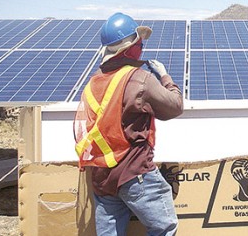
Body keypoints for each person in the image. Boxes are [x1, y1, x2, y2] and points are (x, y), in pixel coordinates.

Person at [74, 12, 183, 235]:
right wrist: (165, 77)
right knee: (164, 228)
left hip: (103, 177)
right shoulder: (139, 78)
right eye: (139, 43)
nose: (142, 47)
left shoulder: (94, 82)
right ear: (130, 48)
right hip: (135, 174)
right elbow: (175, 106)